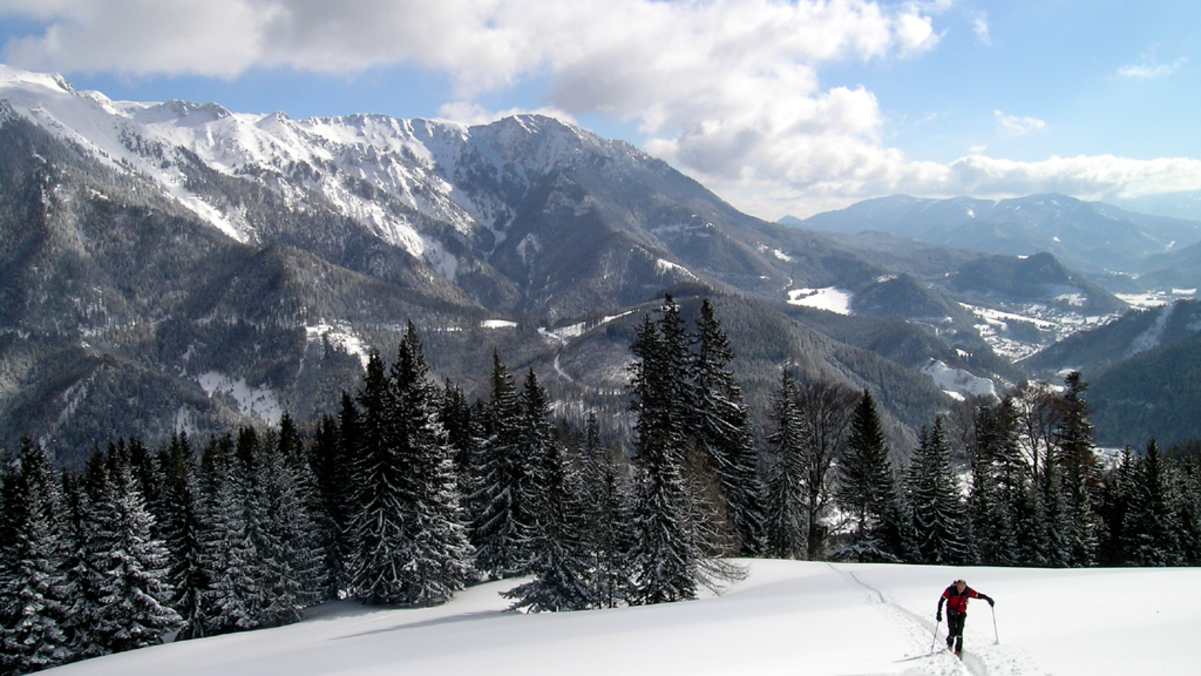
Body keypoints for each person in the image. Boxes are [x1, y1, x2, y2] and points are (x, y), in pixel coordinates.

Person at [935, 578, 994, 657]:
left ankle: (958, 650)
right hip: (951, 612)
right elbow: (941, 601)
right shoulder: (950, 590)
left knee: (959, 632)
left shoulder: (968, 591)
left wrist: (988, 598)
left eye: (963, 588)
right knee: (952, 632)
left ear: (965, 587)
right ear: (956, 586)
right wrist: (939, 613)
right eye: (959, 587)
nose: (961, 589)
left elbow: (978, 595)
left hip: (961, 612)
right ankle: (949, 644)